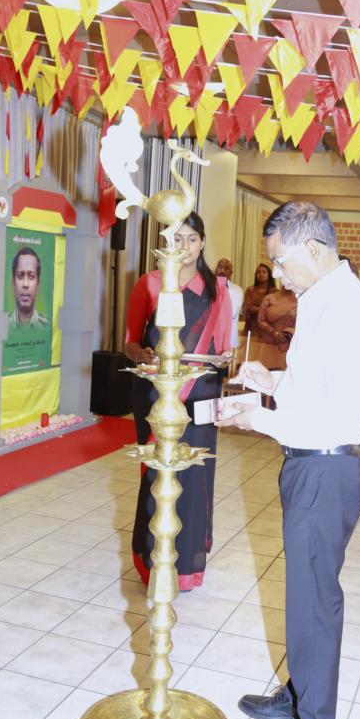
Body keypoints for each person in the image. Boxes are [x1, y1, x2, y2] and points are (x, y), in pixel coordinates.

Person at [217, 202, 360, 719]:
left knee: (314, 605)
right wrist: (274, 379)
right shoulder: (322, 300)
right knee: (307, 597)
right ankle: (299, 693)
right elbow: (318, 384)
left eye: (282, 262)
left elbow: (332, 414)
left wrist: (256, 416)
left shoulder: (347, 311)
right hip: (314, 466)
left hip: (325, 467)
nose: (279, 275)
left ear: (312, 249)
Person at [124, 212, 232, 590]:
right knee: (157, 473)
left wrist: (225, 361)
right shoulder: (149, 283)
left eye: (192, 238)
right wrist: (142, 355)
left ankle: (186, 568)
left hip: (199, 394)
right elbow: (129, 343)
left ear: (202, 244)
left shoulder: (217, 291)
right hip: (155, 392)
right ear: (166, 242)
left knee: (194, 476)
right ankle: (151, 563)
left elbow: (224, 350)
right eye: (177, 238)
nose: (184, 246)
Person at [253, 287, 297, 369]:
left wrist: (288, 334)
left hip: (290, 343)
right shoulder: (269, 299)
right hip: (268, 343)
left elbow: (302, 322)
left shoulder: (299, 300)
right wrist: (274, 333)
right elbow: (261, 320)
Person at [8, 248, 50, 330]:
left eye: (31, 276)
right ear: (13, 283)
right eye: (20, 275)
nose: (25, 284)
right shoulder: (2, 326)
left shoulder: (47, 327)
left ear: (38, 284)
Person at [215, 257, 243, 349]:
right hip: (208, 338)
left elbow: (231, 313)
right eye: (220, 267)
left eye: (226, 268)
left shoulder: (237, 290)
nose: (222, 271)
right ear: (215, 269)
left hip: (229, 339)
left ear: (231, 272)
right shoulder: (207, 288)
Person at [240, 264, 276, 335]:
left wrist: (255, 309)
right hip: (251, 324)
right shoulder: (250, 290)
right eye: (258, 272)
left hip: (268, 325)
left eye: (264, 272)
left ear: (269, 275)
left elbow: (273, 310)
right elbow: (247, 307)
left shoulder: (275, 291)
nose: (261, 274)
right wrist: (264, 310)